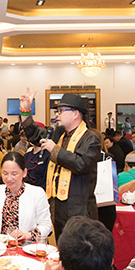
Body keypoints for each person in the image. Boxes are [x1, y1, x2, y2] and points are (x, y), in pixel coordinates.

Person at [21, 89, 101, 240]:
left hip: (79, 211)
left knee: (78, 250)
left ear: (76, 113)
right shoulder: (58, 134)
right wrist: (25, 111)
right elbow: (35, 135)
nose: (57, 115)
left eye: (61, 111)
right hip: (57, 208)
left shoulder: (90, 139)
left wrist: (55, 149)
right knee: (61, 248)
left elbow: (81, 164)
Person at [0, 151, 52, 240]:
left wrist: (27, 235)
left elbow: (46, 225)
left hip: (27, 245)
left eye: (14, 174)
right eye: (5, 173)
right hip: (1, 245)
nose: (9, 178)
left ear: (24, 172)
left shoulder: (37, 193)